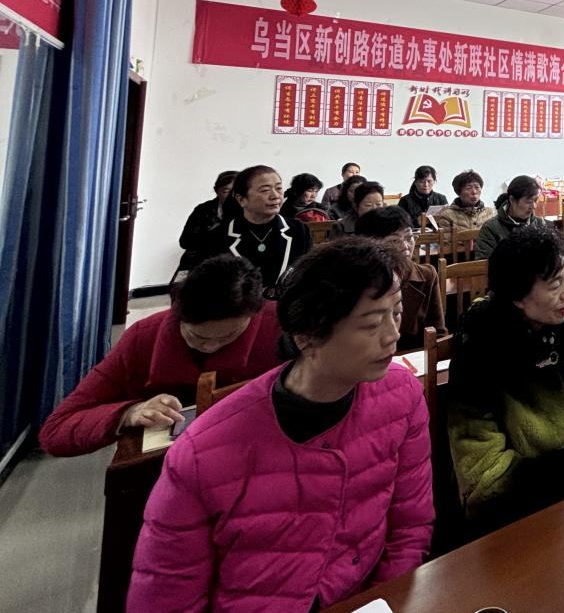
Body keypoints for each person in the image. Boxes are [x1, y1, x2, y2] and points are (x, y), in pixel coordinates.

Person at [129, 238, 433, 611]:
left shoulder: (401, 394)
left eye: (396, 313)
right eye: (371, 324)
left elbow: (410, 527)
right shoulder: (201, 453)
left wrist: (383, 601)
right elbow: (166, 597)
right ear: (306, 337)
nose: (392, 335)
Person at [447, 223, 564, 533]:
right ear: (518, 296)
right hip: (522, 519)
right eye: (555, 284)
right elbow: (483, 474)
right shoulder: (481, 348)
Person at [39, 255, 282, 457]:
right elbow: (56, 431)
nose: (210, 346)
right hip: (167, 465)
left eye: (229, 336)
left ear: (253, 316)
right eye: (197, 336)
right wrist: (128, 413)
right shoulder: (143, 338)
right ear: (177, 314)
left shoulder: (280, 328)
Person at [199, 166, 312, 288]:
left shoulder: (299, 231)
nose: (275, 196)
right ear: (241, 199)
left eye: (279, 188)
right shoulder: (218, 237)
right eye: (265, 190)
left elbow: (309, 276)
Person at [354, 206, 447, 350]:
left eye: (409, 238)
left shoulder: (427, 275)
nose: (405, 246)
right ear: (371, 245)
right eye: (394, 241)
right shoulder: (358, 281)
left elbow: (438, 333)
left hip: (415, 358)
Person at [175, 170, 237, 275]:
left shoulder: (250, 211)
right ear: (216, 191)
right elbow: (185, 242)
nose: (232, 196)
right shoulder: (203, 210)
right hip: (202, 262)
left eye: (236, 191)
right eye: (226, 191)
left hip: (234, 265)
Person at [474, 175, 547, 260]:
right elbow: (484, 262)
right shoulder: (491, 228)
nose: (534, 206)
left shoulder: (539, 223)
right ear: (512, 200)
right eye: (529, 201)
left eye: (536, 201)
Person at [432, 169, 492, 233]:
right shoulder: (447, 215)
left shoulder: (490, 213)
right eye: (469, 188)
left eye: (477, 187)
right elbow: (446, 238)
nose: (474, 192)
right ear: (459, 192)